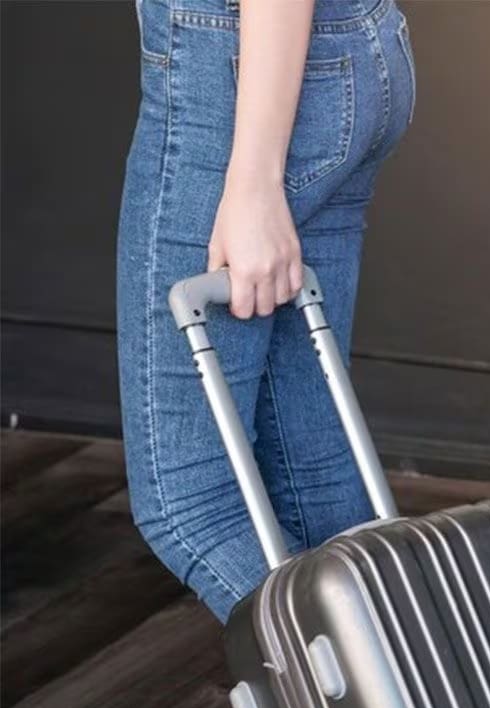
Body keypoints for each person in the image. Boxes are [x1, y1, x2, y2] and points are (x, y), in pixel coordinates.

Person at [116, 0, 414, 622]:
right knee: (318, 489)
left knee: (191, 502)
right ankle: (429, 696)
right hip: (338, 50)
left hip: (230, 70)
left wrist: (254, 183)